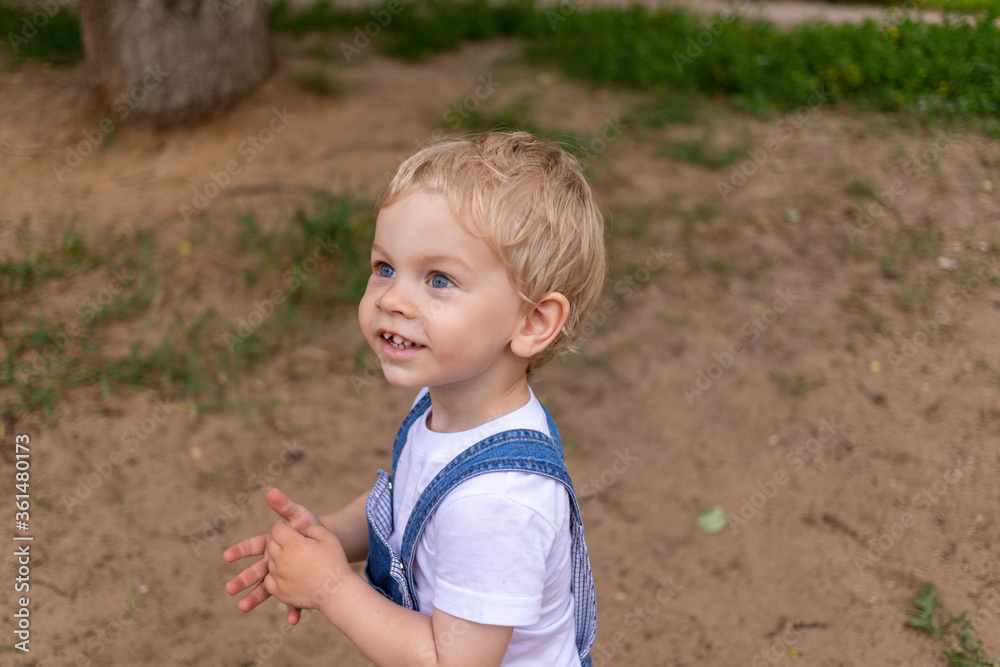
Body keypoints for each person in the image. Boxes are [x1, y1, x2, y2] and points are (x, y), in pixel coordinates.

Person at [224, 131, 606, 666]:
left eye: (439, 279)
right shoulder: (441, 405)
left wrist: (330, 586)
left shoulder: (495, 502)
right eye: (385, 268)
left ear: (532, 321)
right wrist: (328, 537)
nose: (394, 299)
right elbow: (410, 505)